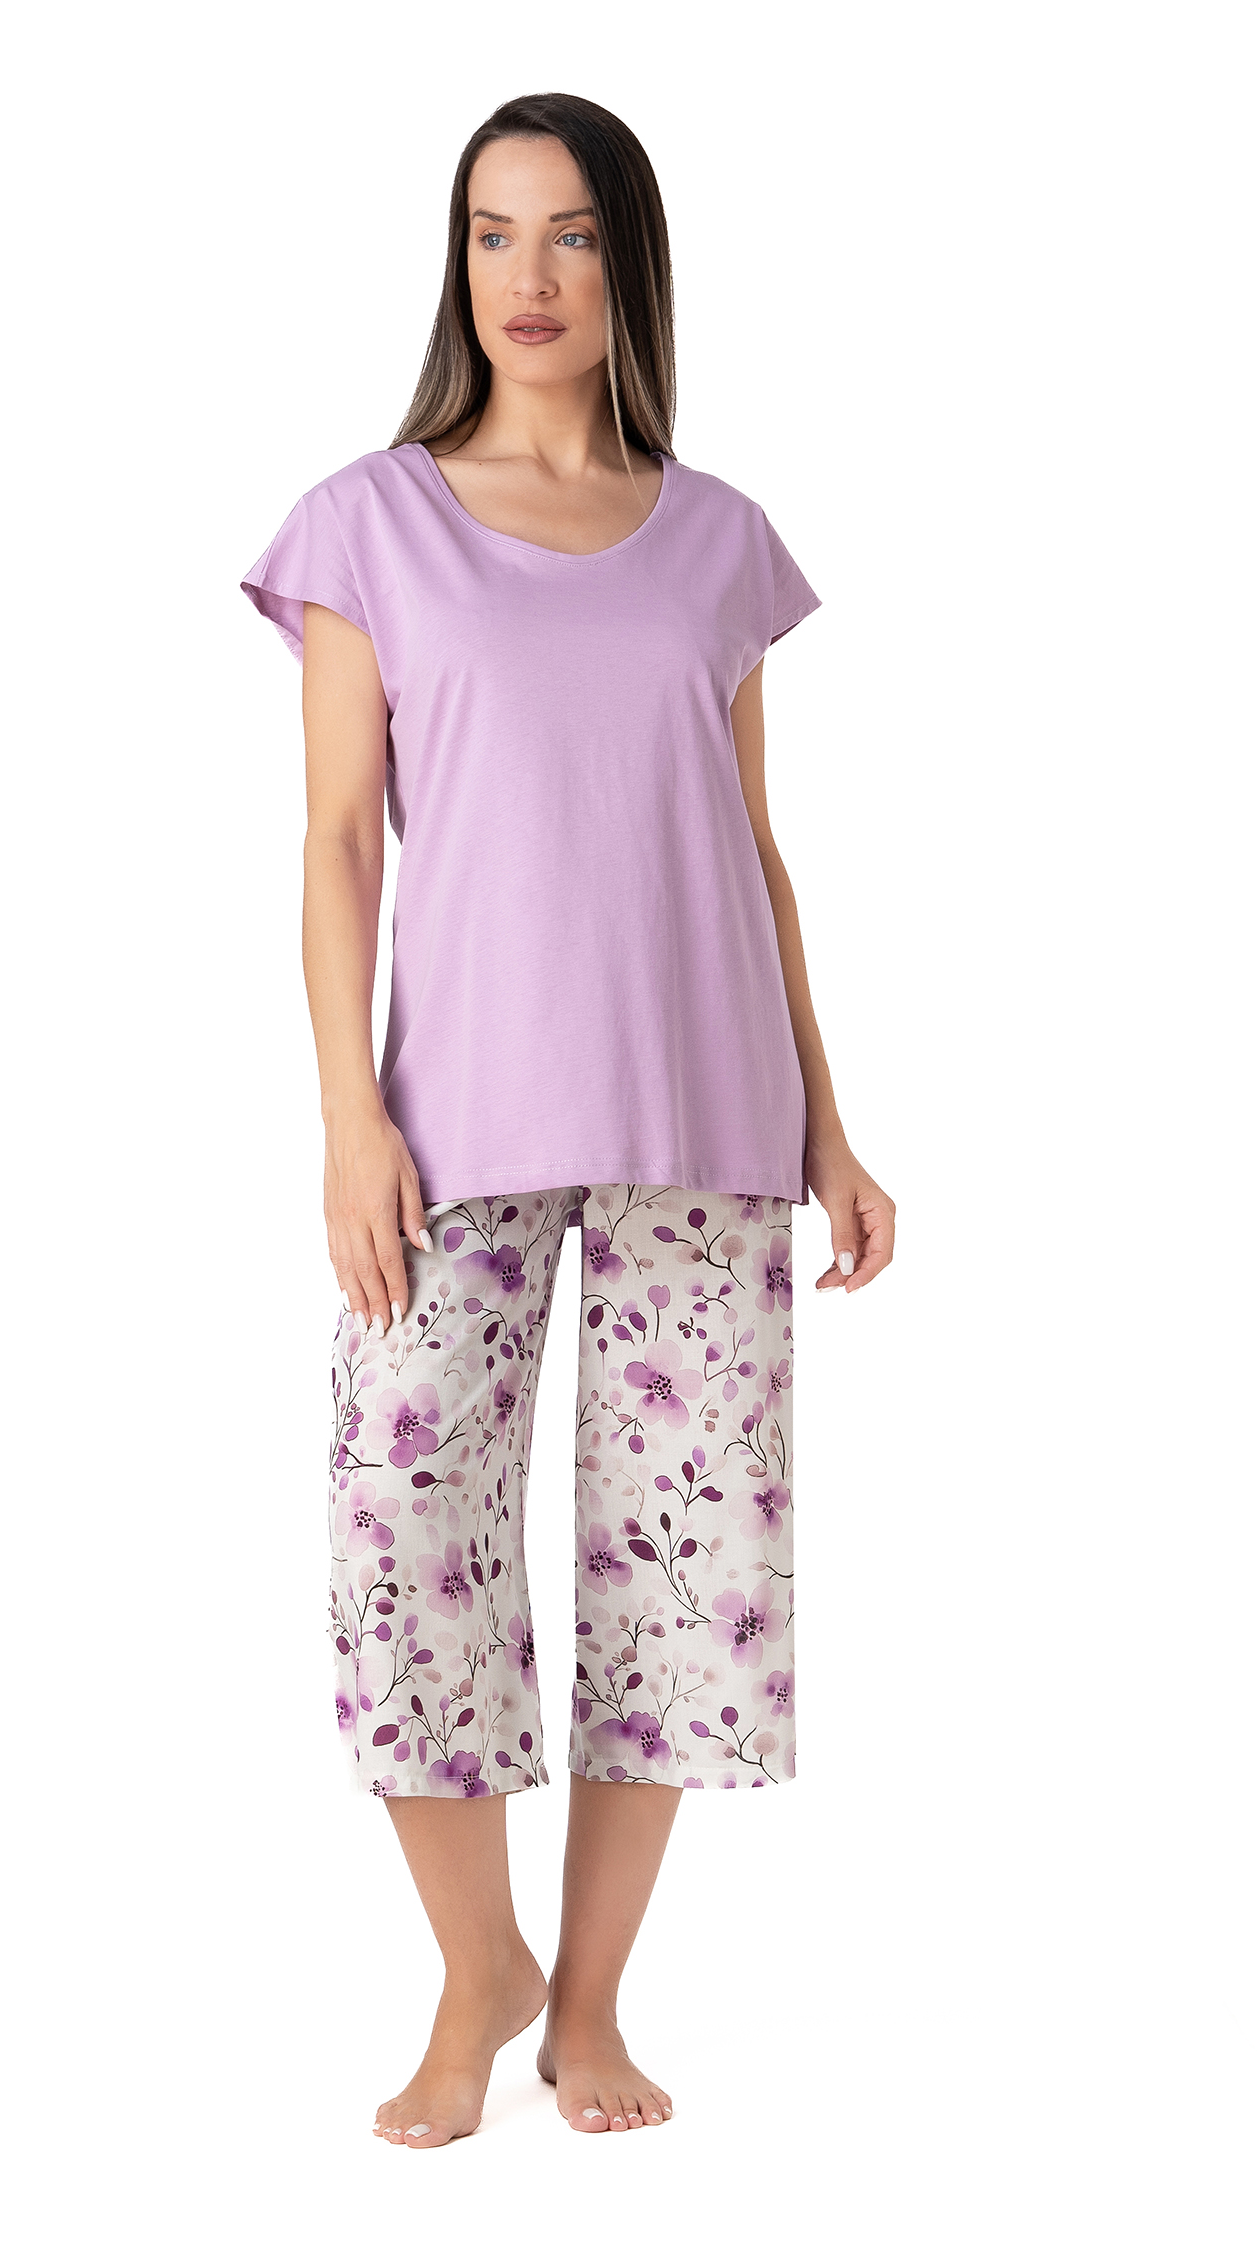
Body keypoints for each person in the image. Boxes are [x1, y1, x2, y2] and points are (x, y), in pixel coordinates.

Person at [240, 90, 895, 2150]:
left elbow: (751, 848)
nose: (527, 276)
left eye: (572, 234)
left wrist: (831, 1121)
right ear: (457, 264)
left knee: (681, 1575)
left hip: (710, 1106)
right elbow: (338, 840)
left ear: (630, 264)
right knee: (404, 1535)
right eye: (492, 232)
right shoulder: (369, 522)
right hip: (453, 1115)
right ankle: (479, 1969)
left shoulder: (718, 541)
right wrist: (347, 1116)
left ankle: (591, 2002)